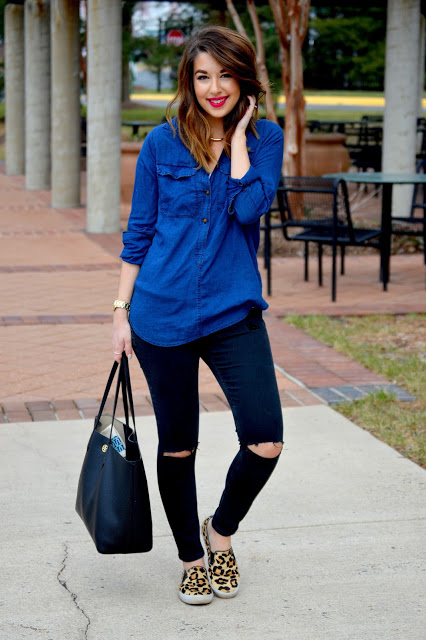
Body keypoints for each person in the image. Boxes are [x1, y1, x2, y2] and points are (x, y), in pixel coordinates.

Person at [112, 25, 284, 606]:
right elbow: (140, 231)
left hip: (233, 310)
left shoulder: (265, 138)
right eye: (203, 76)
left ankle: (221, 533)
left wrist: (236, 145)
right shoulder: (161, 144)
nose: (214, 88)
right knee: (178, 445)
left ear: (243, 79)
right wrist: (120, 311)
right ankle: (191, 558)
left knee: (265, 439)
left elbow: (251, 208)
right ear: (189, 80)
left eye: (225, 75)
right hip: (161, 314)